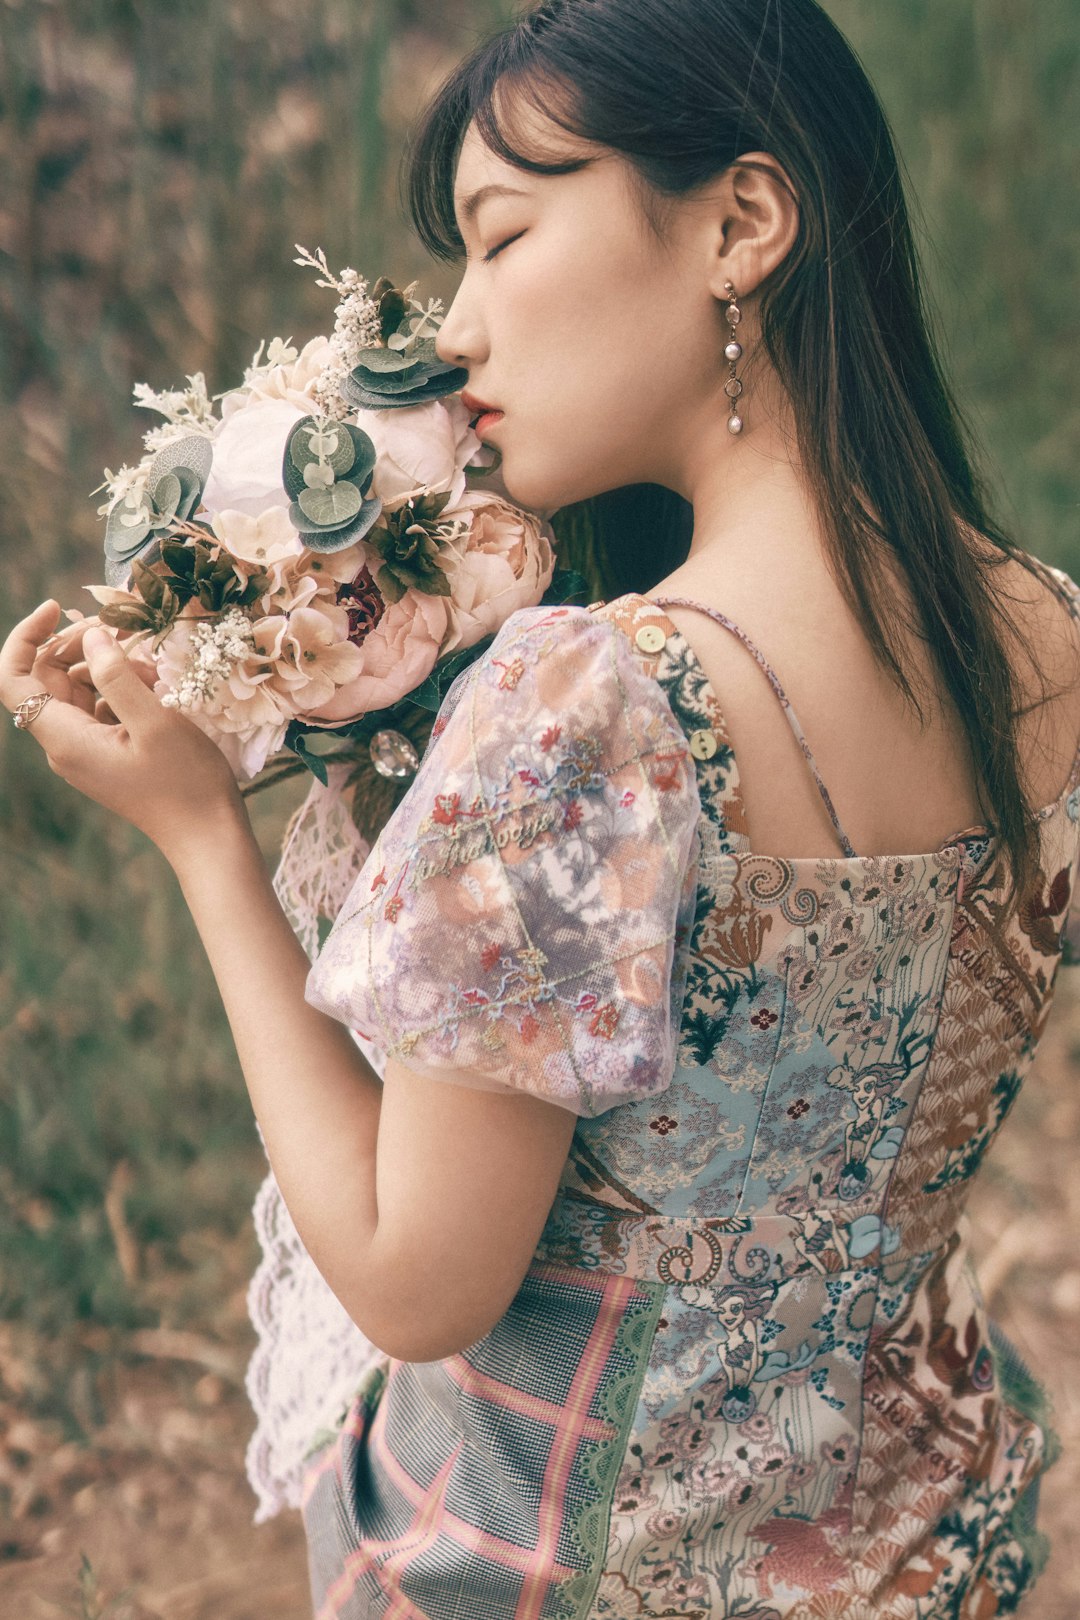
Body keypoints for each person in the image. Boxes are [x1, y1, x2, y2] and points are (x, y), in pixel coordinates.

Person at [3, 0, 1079, 1614]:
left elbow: (412, 1276)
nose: (456, 333)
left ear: (744, 223)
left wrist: (201, 840)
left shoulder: (593, 703)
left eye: (502, 239)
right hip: (923, 1551)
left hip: (567, 1566)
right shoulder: (1048, 634)